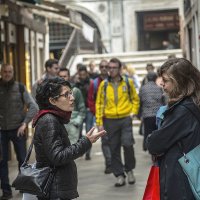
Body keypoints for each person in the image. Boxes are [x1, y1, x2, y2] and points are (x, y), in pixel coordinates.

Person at [32, 77, 106, 200]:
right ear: (52, 100)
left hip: (56, 187)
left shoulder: (52, 118)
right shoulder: (49, 120)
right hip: (54, 189)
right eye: (66, 95)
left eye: (71, 93)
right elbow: (58, 157)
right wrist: (85, 142)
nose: (72, 98)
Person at [146, 58, 200, 200]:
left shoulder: (182, 111)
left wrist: (152, 137)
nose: (162, 84)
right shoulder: (193, 103)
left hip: (181, 182)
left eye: (166, 80)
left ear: (179, 81)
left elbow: (154, 144)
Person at [96, 58, 140, 187]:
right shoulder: (103, 85)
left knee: (128, 144)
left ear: (120, 69)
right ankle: (119, 175)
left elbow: (135, 99)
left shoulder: (128, 82)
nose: (111, 70)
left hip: (125, 118)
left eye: (114, 67)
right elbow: (99, 104)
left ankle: (130, 170)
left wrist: (133, 112)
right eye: (109, 68)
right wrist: (99, 122)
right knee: (113, 147)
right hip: (109, 120)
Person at [0, 64, 38, 199]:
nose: (7, 74)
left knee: (22, 160)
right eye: (5, 71)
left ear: (13, 72)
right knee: (2, 161)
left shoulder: (20, 87)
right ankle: (6, 192)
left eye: (10, 71)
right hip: (1, 131)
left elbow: (34, 106)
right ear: (1, 72)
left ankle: (24, 188)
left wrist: (24, 124)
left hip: (18, 129)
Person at [87, 59, 112, 174]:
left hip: (115, 116)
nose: (104, 68)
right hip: (102, 117)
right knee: (105, 141)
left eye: (106, 66)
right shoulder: (95, 83)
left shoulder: (114, 81)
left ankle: (114, 162)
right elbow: (91, 100)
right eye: (102, 66)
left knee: (115, 141)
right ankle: (109, 163)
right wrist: (97, 113)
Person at [139, 72, 165, 151]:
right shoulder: (159, 88)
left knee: (147, 132)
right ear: (155, 78)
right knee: (157, 132)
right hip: (157, 114)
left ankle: (147, 146)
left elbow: (140, 101)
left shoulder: (143, 88)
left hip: (147, 115)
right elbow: (162, 101)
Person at [58, 68, 86, 144]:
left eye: (65, 76)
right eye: (60, 76)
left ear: (69, 77)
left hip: (73, 123)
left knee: (73, 149)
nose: (62, 78)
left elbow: (82, 108)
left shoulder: (75, 91)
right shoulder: (55, 92)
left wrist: (77, 122)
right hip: (60, 123)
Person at [75, 65, 94, 160]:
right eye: (80, 74)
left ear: (86, 73)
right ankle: (82, 149)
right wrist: (76, 83)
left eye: (83, 74)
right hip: (80, 111)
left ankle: (88, 153)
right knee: (78, 132)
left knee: (89, 131)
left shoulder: (90, 82)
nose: (82, 76)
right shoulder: (76, 83)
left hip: (89, 110)